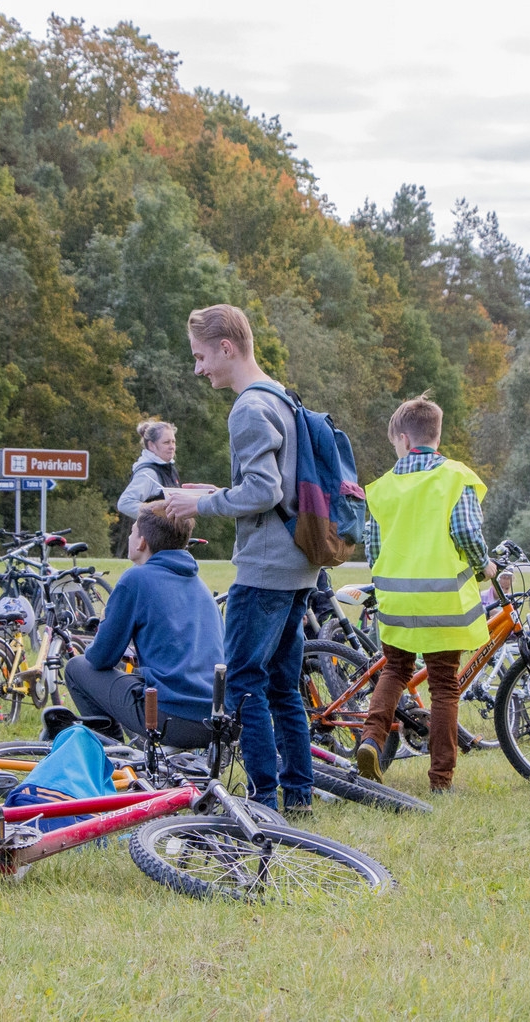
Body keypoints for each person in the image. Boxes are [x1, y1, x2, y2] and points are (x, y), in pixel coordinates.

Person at [163, 304, 317, 813]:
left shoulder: (249, 408)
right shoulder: (282, 398)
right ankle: (296, 794)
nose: (198, 368)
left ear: (226, 348)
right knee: (282, 685)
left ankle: (261, 802)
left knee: (244, 684)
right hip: (298, 565)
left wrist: (200, 504)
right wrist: (219, 491)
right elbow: (273, 485)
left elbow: (264, 490)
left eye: (201, 356)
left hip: (266, 568)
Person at [353, 392, 497, 793]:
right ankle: (440, 780)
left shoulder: (382, 488)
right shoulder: (454, 477)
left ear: (402, 439)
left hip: (397, 600)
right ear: (436, 435)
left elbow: (374, 550)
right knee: (444, 685)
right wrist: (482, 563)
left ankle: (370, 740)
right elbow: (467, 532)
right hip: (443, 600)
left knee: (395, 669)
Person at [63, 501, 219, 746]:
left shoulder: (136, 579)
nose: (129, 536)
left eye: (132, 531)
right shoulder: (200, 586)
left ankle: (112, 755)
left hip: (172, 718)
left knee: (77, 667)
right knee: (135, 677)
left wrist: (105, 624)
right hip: (214, 719)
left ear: (142, 542)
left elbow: (100, 658)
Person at [116, 419, 180, 528]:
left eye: (173, 441)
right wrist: (156, 514)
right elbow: (124, 503)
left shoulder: (168, 467)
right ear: (151, 445)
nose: (172, 447)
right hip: (151, 540)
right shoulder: (148, 473)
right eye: (166, 442)